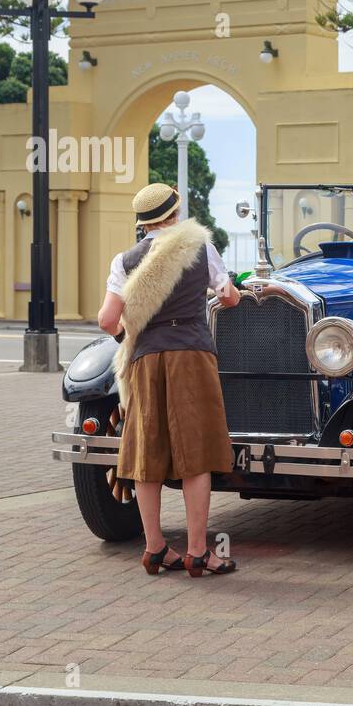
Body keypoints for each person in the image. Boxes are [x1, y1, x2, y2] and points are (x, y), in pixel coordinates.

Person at [97, 183, 243, 576]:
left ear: (143, 222)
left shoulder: (124, 260)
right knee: (196, 453)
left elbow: (108, 321)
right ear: (176, 213)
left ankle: (156, 549)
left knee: (147, 451)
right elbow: (227, 296)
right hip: (191, 354)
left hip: (145, 358)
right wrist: (235, 294)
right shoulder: (199, 247)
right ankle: (198, 552)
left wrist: (134, 339)